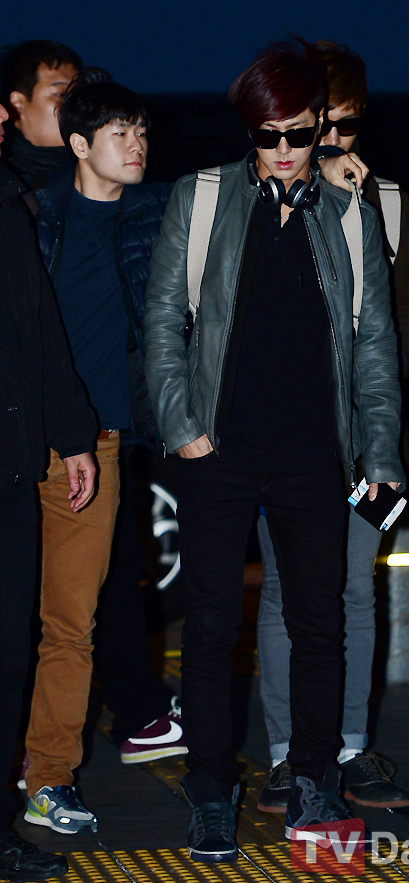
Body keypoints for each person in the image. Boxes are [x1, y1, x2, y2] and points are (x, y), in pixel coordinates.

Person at [144, 39, 404, 864]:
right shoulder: (201, 196)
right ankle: (211, 790)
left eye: (299, 132)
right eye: (269, 134)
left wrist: (379, 453)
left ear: (321, 123)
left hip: (314, 454)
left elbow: (375, 342)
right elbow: (163, 320)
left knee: (320, 621)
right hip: (217, 450)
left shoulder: (350, 212)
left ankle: (316, 782)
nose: (285, 150)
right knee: (212, 624)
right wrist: (182, 426)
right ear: (248, 129)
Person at [2, 42, 184, 775]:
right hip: (24, 437)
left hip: (101, 442)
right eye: (120, 132)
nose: (136, 144)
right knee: (19, 620)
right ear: (81, 144)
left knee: (71, 621)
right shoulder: (33, 213)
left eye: (141, 132)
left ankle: (47, 773)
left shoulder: (157, 212)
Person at [256, 39, 409, 814]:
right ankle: (288, 754)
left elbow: (408, 321)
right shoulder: (260, 194)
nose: (328, 141)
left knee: (355, 589)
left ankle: (350, 747)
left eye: (345, 126)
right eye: (316, 124)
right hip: (280, 427)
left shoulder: (386, 199)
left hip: (358, 434)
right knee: (286, 592)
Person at [0, 98, 96, 881]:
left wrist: (71, 435)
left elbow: (40, 326)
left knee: (9, 652)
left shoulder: (7, 202)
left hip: (10, 464)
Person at [1, 40, 83, 185]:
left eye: (78, 95)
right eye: (60, 94)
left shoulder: (106, 175)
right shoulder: (5, 180)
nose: (76, 105)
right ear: (18, 102)